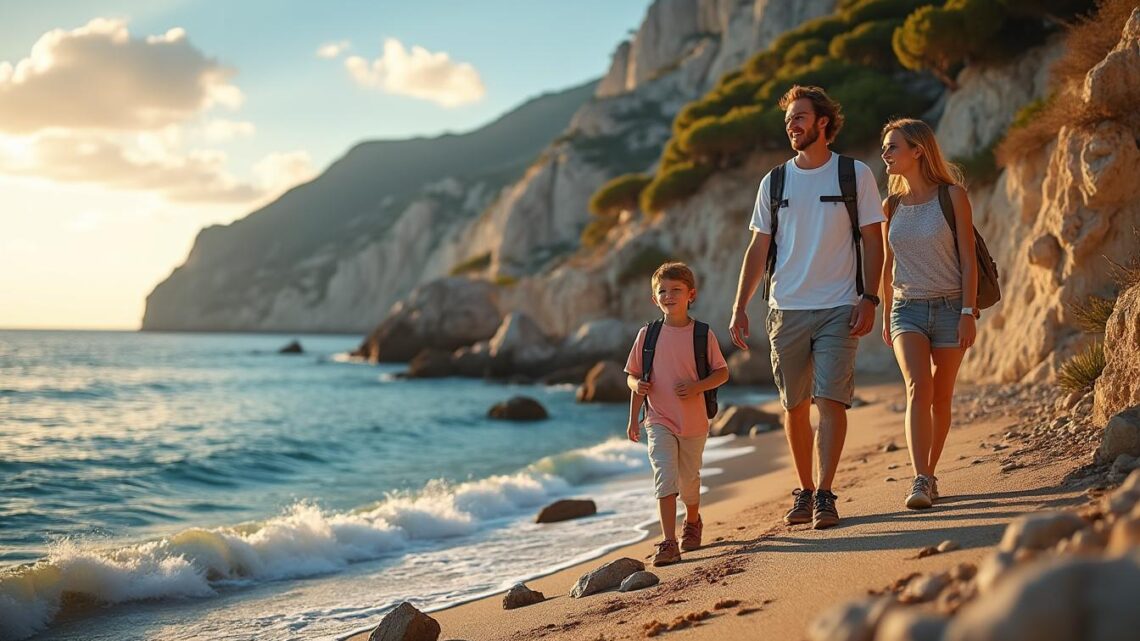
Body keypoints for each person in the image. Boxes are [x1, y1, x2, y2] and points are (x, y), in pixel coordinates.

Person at [729, 85, 885, 530]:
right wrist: (739, 306)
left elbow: (874, 241)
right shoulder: (774, 181)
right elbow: (758, 247)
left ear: (823, 122)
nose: (791, 125)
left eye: (799, 117)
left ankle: (827, 495)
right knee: (793, 405)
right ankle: (805, 490)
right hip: (787, 308)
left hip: (841, 305)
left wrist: (870, 297)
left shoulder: (855, 175)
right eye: (787, 120)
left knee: (830, 400)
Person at [879, 118, 977, 510]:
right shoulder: (892, 205)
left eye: (892, 146)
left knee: (941, 396)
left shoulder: (952, 196)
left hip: (953, 306)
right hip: (907, 309)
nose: (885, 154)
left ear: (918, 150)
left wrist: (969, 311)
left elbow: (969, 261)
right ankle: (920, 480)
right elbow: (888, 266)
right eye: (884, 147)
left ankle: (930, 473)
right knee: (919, 387)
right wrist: (888, 313)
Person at [626, 261, 729, 566]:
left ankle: (693, 521)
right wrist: (634, 417)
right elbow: (633, 377)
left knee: (689, 482)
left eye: (676, 290)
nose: (669, 296)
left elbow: (722, 373)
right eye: (663, 291)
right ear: (653, 298)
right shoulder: (647, 335)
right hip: (658, 419)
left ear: (691, 295)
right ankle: (669, 542)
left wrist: (698, 386)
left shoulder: (702, 334)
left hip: (694, 422)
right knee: (665, 476)